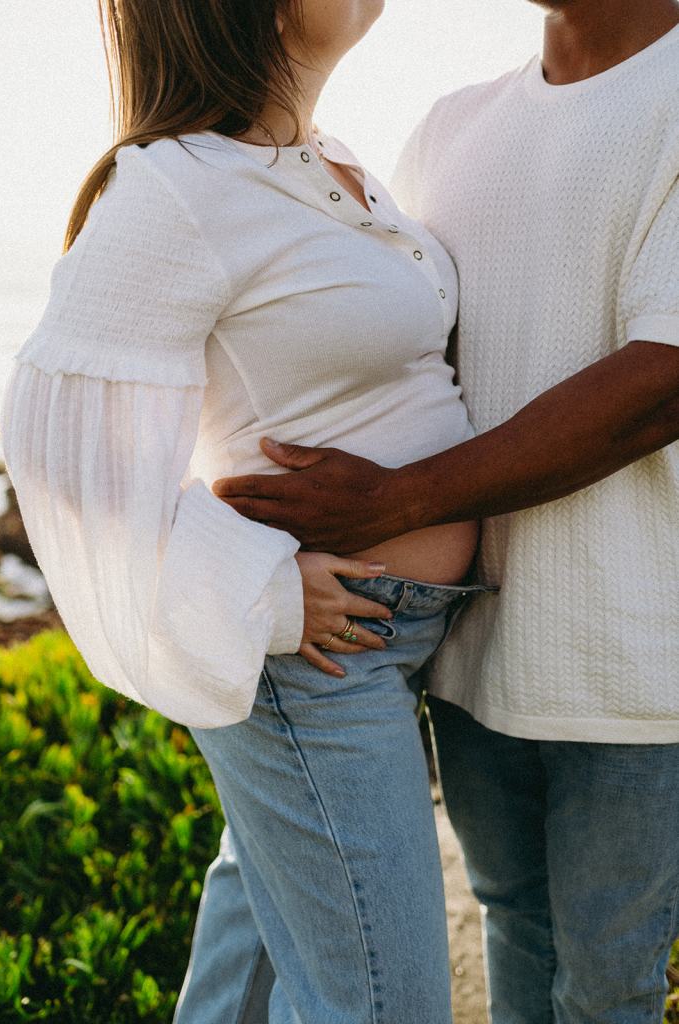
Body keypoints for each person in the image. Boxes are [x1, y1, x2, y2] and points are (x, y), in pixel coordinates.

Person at [0, 2, 498, 1021]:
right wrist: (263, 589)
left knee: (246, 986)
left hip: (384, 645)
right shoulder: (176, 187)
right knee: (384, 1006)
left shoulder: (322, 162)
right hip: (314, 669)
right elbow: (59, 453)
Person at [215, 1, 679, 1021]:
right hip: (467, 646)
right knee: (512, 922)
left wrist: (396, 498)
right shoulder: (451, 125)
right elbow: (396, 346)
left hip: (639, 659)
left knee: (607, 984)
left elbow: (660, 382)